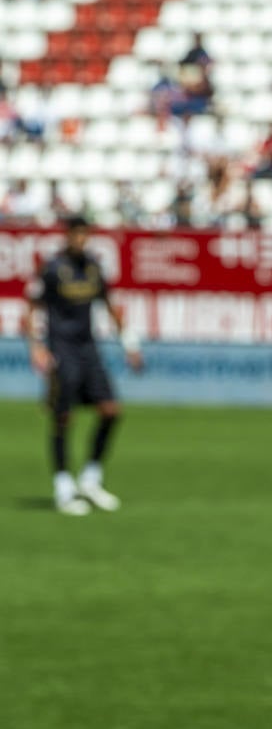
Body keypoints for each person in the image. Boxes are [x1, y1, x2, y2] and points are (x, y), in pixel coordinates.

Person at [22, 216, 143, 515]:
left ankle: (90, 478)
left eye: (84, 234)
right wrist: (36, 347)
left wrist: (129, 345)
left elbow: (110, 305)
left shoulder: (93, 267)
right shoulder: (52, 269)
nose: (79, 239)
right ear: (67, 236)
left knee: (111, 411)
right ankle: (63, 487)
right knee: (64, 417)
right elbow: (30, 311)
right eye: (74, 234)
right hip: (62, 350)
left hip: (89, 348)